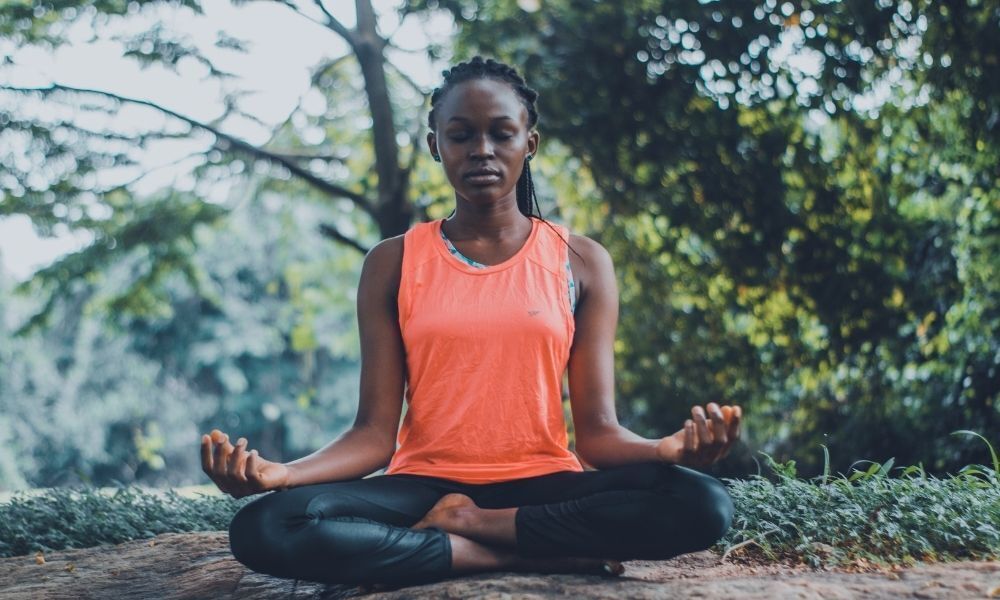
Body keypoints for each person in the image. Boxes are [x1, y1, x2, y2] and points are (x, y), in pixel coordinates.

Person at [200, 56, 742, 589]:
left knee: (702, 503)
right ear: (436, 144)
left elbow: (598, 436)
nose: (482, 149)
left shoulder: (579, 260)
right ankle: (500, 557)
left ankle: (472, 528)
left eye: (501, 133)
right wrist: (282, 474)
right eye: (461, 135)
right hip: (421, 487)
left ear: (529, 142)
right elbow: (371, 435)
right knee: (267, 526)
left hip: (542, 484)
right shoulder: (393, 262)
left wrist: (665, 450)